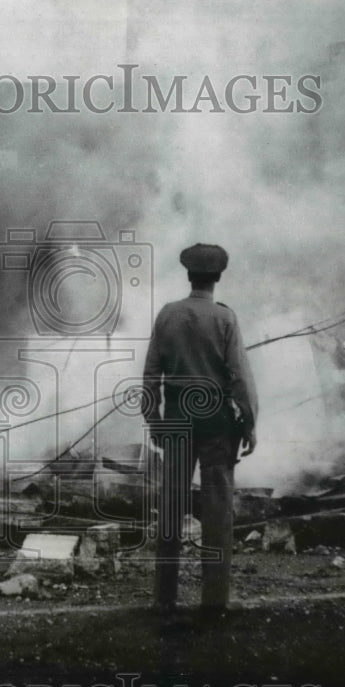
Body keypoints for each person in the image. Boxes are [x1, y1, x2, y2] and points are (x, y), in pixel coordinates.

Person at [141, 243, 260, 617]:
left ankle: (164, 599)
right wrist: (250, 422)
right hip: (215, 422)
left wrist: (155, 421)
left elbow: (149, 377)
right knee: (217, 511)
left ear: (188, 275)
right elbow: (240, 377)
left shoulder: (167, 315)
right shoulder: (225, 319)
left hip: (176, 419)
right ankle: (214, 602)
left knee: (171, 506)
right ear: (218, 278)